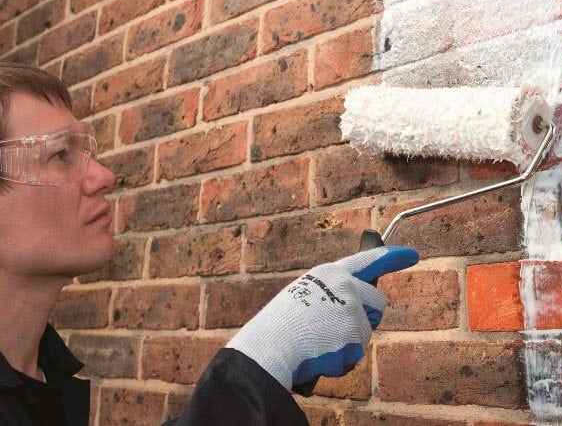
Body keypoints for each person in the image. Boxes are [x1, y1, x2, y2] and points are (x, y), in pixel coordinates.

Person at [0, 63, 419, 425]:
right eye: (60, 155)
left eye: (86, 152)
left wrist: (268, 351)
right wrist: (257, 362)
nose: (103, 176)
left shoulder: (41, 378)